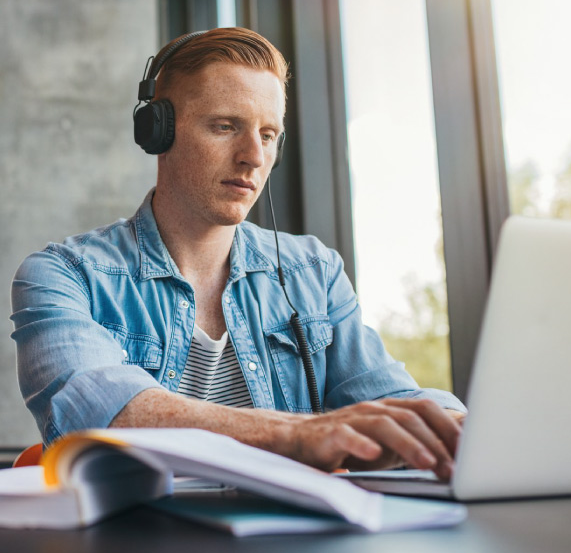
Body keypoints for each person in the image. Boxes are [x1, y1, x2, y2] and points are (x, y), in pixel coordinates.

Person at [11, 27, 465, 480]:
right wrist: (300, 435)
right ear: (158, 133)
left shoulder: (314, 272)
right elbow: (99, 413)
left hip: (293, 544)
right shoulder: (63, 275)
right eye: (225, 126)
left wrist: (462, 428)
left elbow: (391, 400)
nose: (253, 156)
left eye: (268, 135)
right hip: (139, 544)